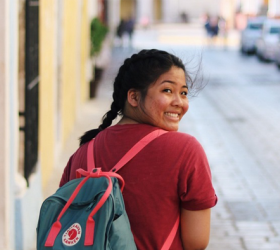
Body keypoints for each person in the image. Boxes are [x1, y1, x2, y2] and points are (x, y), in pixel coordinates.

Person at [59, 49, 218, 250]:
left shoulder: (82, 153)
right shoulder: (186, 151)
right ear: (133, 97)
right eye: (167, 90)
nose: (179, 102)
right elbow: (196, 241)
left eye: (183, 93)